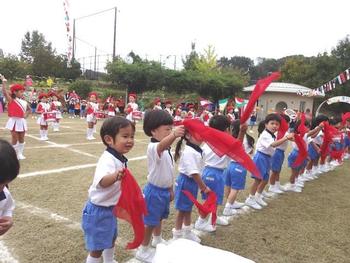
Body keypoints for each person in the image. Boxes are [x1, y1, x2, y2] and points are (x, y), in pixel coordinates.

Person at [82, 117, 135, 263]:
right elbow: (102, 182)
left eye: (132, 136)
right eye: (125, 136)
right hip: (99, 211)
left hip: (110, 209)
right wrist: (115, 176)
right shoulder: (107, 159)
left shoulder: (119, 157)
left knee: (111, 238)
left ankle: (109, 260)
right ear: (109, 139)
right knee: (97, 247)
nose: (130, 140)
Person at [136, 110, 185, 263]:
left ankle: (157, 239)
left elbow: (168, 171)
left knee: (159, 218)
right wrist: (174, 134)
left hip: (164, 191)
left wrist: (170, 189)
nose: (170, 131)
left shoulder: (166, 150)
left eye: (171, 128)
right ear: (153, 131)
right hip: (154, 192)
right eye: (167, 129)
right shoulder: (154, 147)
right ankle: (143, 249)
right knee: (150, 221)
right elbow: (162, 146)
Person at [245, 114, 294, 209]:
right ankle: (250, 198)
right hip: (261, 157)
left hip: (267, 158)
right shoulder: (265, 135)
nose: (275, 126)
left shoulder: (271, 134)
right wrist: (286, 138)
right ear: (266, 125)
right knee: (258, 179)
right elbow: (273, 145)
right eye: (272, 123)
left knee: (265, 179)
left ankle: (258, 196)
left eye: (277, 124)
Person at [195, 115, 231, 231]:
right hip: (213, 173)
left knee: (215, 198)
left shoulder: (211, 140)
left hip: (216, 172)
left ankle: (213, 217)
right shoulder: (219, 141)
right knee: (211, 199)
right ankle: (201, 221)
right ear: (226, 129)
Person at [172, 130, 210, 243]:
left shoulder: (197, 150)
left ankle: (187, 231)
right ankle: (177, 235)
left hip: (191, 182)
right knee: (182, 210)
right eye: (198, 133)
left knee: (187, 207)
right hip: (186, 182)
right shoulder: (189, 152)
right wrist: (203, 187)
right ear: (188, 136)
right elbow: (193, 173)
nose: (201, 135)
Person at [223, 120, 254, 216]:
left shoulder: (230, 138)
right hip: (239, 165)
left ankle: (231, 203)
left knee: (228, 185)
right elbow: (250, 152)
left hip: (230, 165)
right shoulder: (246, 139)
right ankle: (228, 208)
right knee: (235, 188)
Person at [1, 75, 31, 160]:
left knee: (21, 138)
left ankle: (20, 154)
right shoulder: (11, 100)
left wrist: (26, 115)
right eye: (20, 92)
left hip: (21, 121)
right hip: (14, 121)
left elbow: (29, 109)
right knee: (14, 138)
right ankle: (13, 155)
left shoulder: (24, 101)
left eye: (22, 91)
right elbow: (4, 92)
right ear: (15, 92)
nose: (22, 93)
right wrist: (3, 81)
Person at [0, 139, 20, 236]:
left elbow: (8, 207)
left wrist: (8, 219)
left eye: (3, 184)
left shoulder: (4, 193)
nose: (1, 189)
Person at [268, 114, 291, 194]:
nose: (288, 125)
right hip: (277, 152)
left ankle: (277, 184)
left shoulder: (284, 132)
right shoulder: (281, 132)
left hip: (281, 152)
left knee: (278, 170)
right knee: (274, 170)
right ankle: (272, 186)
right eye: (287, 123)